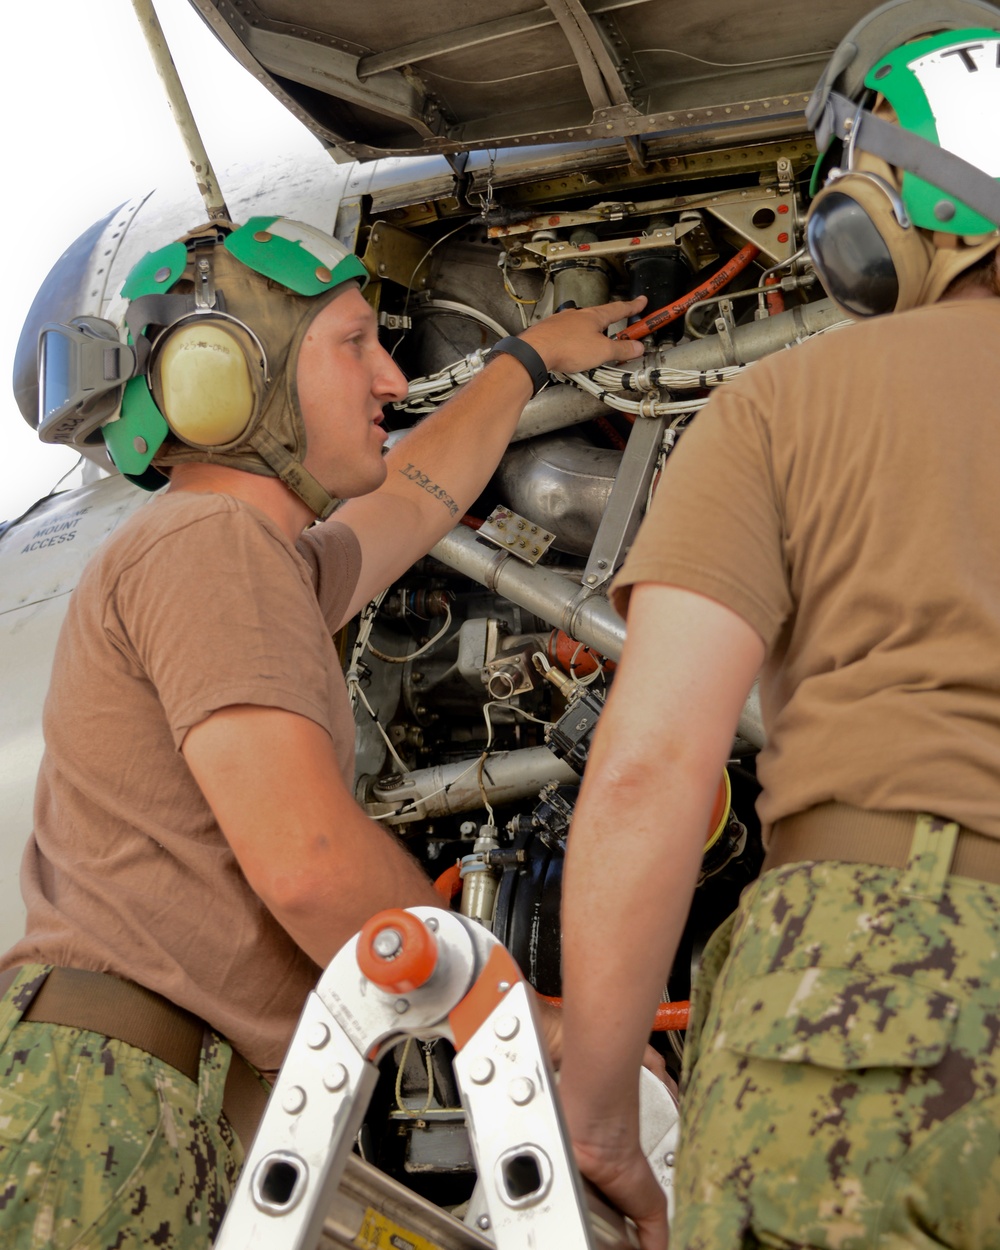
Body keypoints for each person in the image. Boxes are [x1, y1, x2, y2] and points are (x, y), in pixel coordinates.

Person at [0, 212, 645, 1247]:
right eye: (353, 345)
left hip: (170, 1102)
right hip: (114, 1102)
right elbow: (305, 859)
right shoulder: (208, 543)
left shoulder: (265, 564)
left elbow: (417, 495)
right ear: (229, 379)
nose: (390, 380)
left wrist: (525, 363)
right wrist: (522, 1022)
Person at [557, 2, 1000, 1247]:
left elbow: (650, 770)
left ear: (888, 200)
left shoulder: (779, 406)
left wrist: (598, 1117)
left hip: (872, 982)